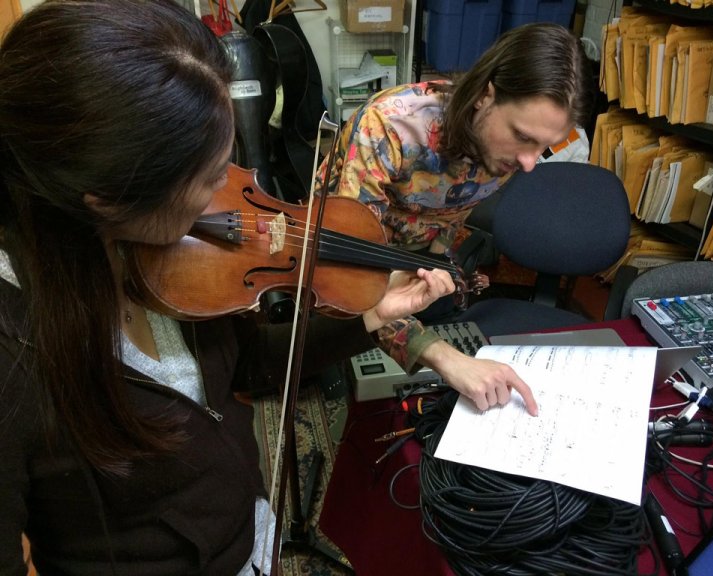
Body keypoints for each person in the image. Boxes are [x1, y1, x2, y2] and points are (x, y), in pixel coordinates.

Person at [0, 1, 470, 574]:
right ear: (106, 199)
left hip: (250, 535)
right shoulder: (13, 363)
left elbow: (245, 366)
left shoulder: (153, 246)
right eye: (209, 176)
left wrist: (371, 314)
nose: (231, 187)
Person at [315, 22, 593, 412]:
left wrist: (437, 261)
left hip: (416, 259)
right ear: (485, 96)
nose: (530, 163)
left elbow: (451, 214)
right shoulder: (388, 128)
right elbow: (351, 281)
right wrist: (443, 357)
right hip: (342, 257)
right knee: (352, 375)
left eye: (544, 147)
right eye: (523, 136)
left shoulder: (504, 151)